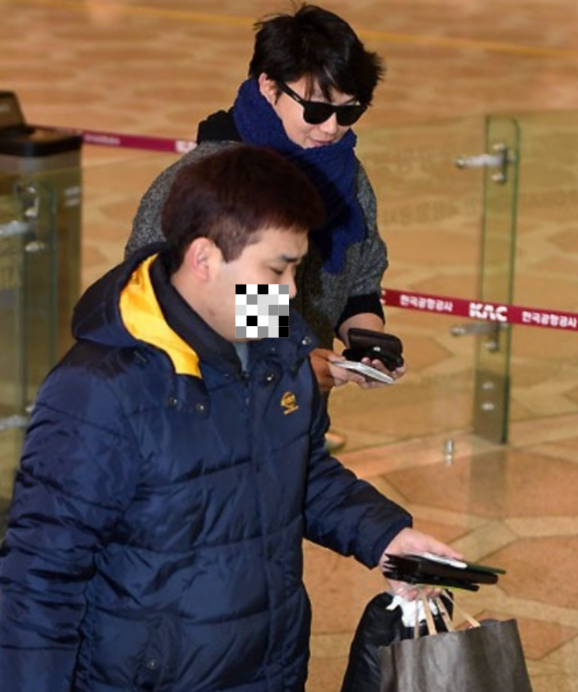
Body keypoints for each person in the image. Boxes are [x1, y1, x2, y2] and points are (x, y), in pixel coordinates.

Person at [0, 145, 459, 692]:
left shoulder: (279, 344)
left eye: (297, 268)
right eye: (277, 269)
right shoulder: (99, 390)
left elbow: (299, 470)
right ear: (204, 259)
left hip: (269, 670)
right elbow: (39, 578)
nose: (291, 293)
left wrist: (385, 535)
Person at [125, 3, 400, 451]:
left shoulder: (346, 176)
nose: (332, 128)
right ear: (268, 86)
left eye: (349, 112)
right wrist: (295, 362)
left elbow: (360, 280)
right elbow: (161, 304)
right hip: (203, 421)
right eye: (316, 109)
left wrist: (367, 344)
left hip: (297, 416)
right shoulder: (206, 182)